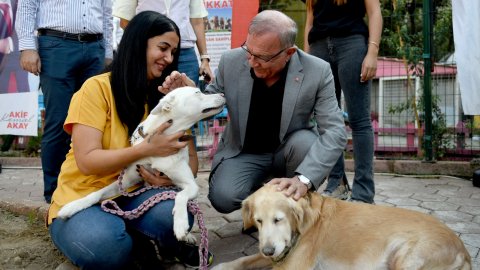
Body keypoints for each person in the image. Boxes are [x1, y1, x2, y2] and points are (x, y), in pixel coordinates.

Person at [46, 11, 212, 269]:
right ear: (137, 43)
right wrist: (146, 149)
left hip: (137, 193)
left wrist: (184, 103)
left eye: (173, 52)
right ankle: (131, 240)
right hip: (84, 196)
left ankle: (139, 238)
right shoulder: (96, 89)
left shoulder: (163, 97)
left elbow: (190, 164)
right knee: (106, 247)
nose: (168, 59)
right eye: (163, 48)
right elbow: (88, 162)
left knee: (178, 216)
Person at [161, 10, 347, 214]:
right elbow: (211, 104)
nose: (251, 61)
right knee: (223, 197)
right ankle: (269, 202)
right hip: (244, 152)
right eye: (249, 51)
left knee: (306, 143)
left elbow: (334, 131)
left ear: (289, 53)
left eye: (262, 57)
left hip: (289, 152)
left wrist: (303, 179)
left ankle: (294, 200)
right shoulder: (231, 61)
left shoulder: (317, 71)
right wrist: (188, 93)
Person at [15, 0, 113, 203]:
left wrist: (108, 52)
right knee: (59, 121)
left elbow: (106, 12)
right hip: (56, 46)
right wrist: (27, 47)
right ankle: (55, 193)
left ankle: (88, 187)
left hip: (95, 47)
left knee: (94, 122)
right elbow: (27, 6)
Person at [304, 0, 382, 204]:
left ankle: (363, 193)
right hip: (318, 48)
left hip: (352, 45)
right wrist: (305, 57)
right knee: (326, 122)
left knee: (359, 121)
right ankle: (336, 184)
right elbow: (310, 18)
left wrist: (372, 52)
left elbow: (374, 12)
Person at [113, 0, 214, 86]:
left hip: (184, 52)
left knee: (188, 100)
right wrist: (143, 45)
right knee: (148, 101)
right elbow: (125, 20)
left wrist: (204, 58)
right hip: (148, 52)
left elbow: (197, 20)